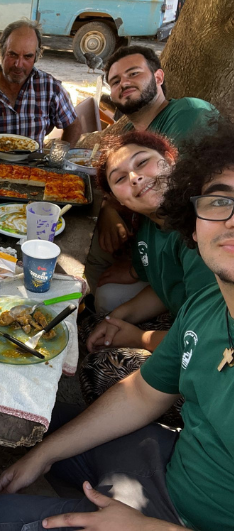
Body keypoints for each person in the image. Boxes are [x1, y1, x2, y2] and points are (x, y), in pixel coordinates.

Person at [0, 120, 234, 531]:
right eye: (219, 202)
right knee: (39, 424)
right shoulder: (208, 302)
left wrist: (145, 526)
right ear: (194, 216)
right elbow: (142, 393)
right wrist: (43, 455)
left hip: (180, 519)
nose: (231, 220)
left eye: (144, 165)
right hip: (170, 462)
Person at [78, 130, 215, 408]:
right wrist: (116, 318)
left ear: (170, 159)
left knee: (101, 368)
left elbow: (206, 342)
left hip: (212, 359)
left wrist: (137, 338)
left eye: (142, 163)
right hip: (184, 324)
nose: (134, 178)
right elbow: (164, 288)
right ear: (119, 200)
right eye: (119, 178)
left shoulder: (203, 233)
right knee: (89, 327)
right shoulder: (151, 228)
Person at [85, 46, 219, 295]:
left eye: (133, 74)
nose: (124, 83)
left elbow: (174, 198)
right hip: (146, 243)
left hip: (192, 253)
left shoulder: (188, 113)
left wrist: (136, 270)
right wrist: (108, 209)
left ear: (158, 77)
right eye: (115, 81)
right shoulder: (133, 137)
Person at [0, 20, 82, 147]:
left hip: (33, 166)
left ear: (36, 57)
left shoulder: (51, 89)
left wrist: (59, 158)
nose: (18, 64)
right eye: (13, 55)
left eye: (27, 57)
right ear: (2, 52)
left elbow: (73, 126)